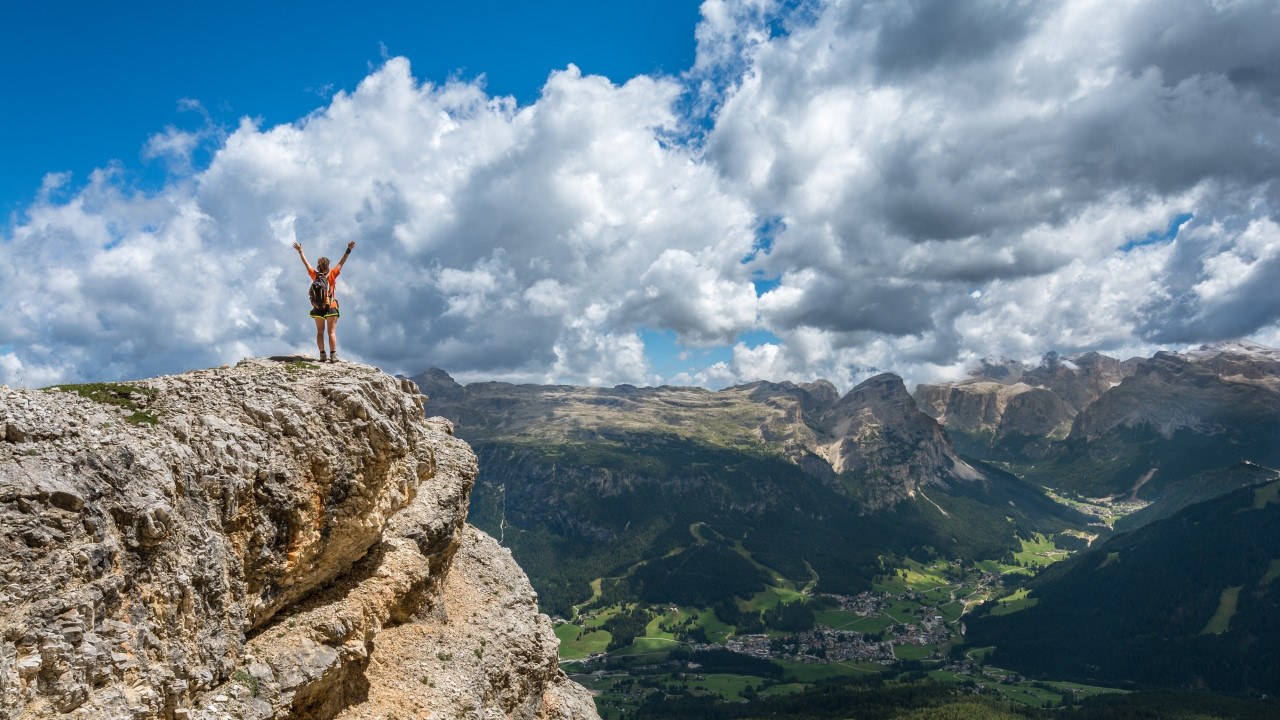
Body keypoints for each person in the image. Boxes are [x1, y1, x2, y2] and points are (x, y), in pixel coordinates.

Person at [294, 240, 355, 362]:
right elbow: (342, 262)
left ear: (318, 266)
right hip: (331, 306)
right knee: (331, 332)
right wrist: (348, 249)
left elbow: (306, 263)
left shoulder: (315, 275)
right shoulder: (332, 273)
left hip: (317, 308)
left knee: (319, 332)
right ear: (328, 265)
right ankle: (333, 356)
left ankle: (322, 355)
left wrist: (300, 251)